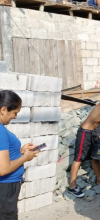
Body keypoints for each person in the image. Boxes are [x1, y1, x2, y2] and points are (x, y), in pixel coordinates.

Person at [68, 87, 100, 198]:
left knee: (94, 156)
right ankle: (72, 186)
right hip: (85, 132)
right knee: (79, 158)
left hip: (92, 132)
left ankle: (99, 179)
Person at [0, 91, 39, 219]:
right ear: (3, 110)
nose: (15, 117)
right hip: (6, 187)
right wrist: (25, 158)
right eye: (15, 113)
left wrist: (20, 151)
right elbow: (3, 169)